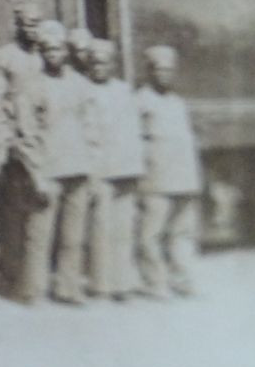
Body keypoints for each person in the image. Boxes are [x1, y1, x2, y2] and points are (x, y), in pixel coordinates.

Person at [12, 19, 99, 305]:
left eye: (58, 48)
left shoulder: (81, 85)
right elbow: (26, 133)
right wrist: (36, 174)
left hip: (79, 169)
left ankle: (68, 288)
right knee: (39, 235)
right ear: (41, 52)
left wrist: (93, 168)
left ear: (67, 50)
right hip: (47, 170)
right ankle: (33, 291)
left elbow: (92, 129)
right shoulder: (31, 86)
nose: (54, 54)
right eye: (47, 49)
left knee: (73, 237)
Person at [0, 1, 47, 298]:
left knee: (38, 212)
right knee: (11, 211)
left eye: (37, 23)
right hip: (13, 140)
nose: (33, 28)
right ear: (17, 25)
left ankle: (33, 276)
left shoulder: (45, 57)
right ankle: (10, 273)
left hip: (42, 142)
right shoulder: (3, 58)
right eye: (28, 23)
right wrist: (6, 138)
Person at [136, 45, 204, 298]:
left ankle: (182, 280)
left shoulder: (177, 102)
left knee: (183, 233)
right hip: (156, 179)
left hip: (184, 179)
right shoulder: (140, 101)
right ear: (149, 71)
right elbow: (134, 140)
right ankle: (155, 283)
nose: (164, 74)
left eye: (169, 70)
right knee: (150, 235)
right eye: (158, 69)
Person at [83, 40, 145, 301]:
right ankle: (102, 285)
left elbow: (133, 131)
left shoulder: (124, 91)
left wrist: (136, 167)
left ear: (113, 65)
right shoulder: (84, 91)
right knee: (100, 229)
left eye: (105, 62)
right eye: (95, 62)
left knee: (124, 229)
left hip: (125, 168)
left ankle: (124, 283)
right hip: (99, 168)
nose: (99, 67)